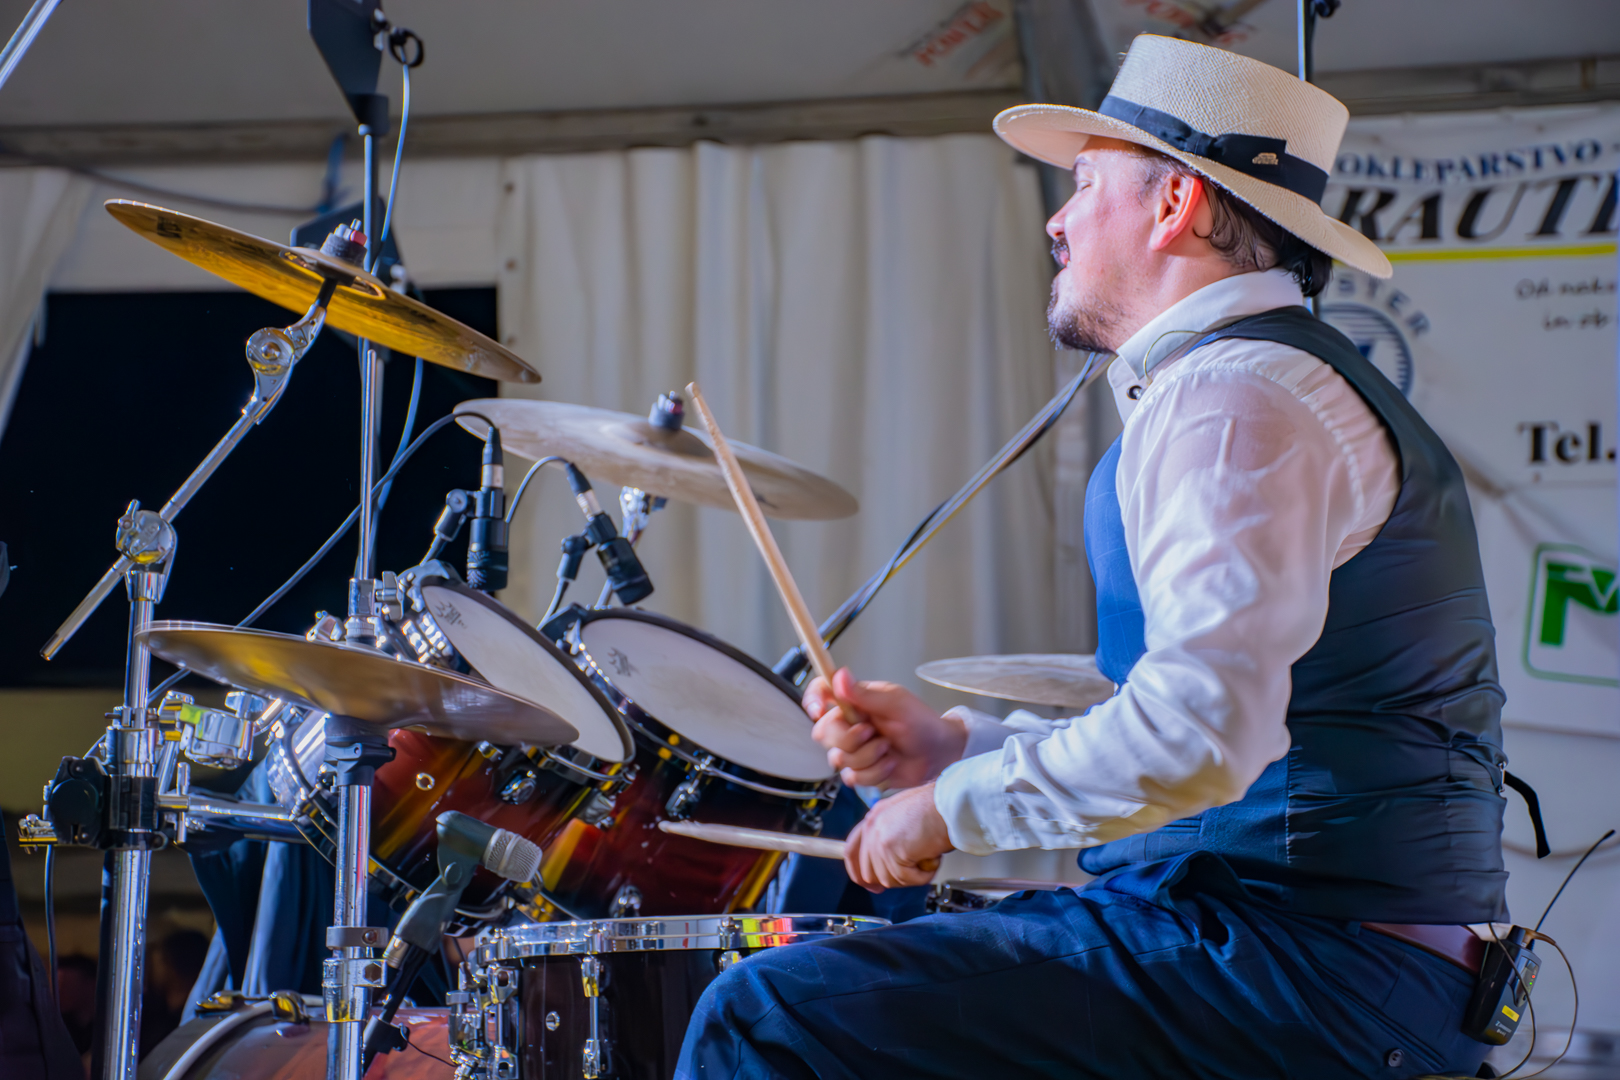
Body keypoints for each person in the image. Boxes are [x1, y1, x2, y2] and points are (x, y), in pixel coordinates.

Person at [676, 35, 1508, 1080]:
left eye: (1082, 185)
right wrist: (954, 749)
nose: (1057, 220)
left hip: (1302, 963)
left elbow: (1199, 733)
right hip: (1318, 956)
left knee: (765, 1014)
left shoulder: (1234, 397)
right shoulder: (1259, 384)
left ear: (1175, 206)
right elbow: (1235, 725)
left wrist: (948, 812)